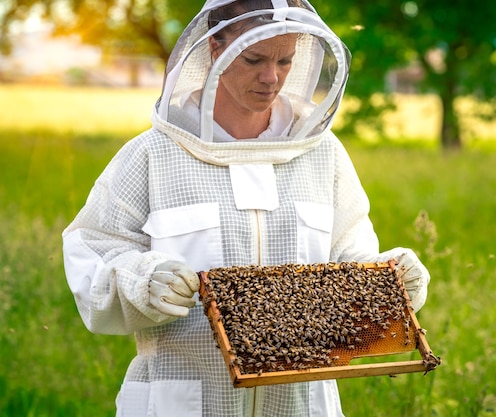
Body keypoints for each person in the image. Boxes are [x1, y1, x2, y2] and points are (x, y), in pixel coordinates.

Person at [62, 0, 431, 416]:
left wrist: (389, 281)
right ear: (215, 48)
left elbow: (349, 256)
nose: (271, 77)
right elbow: (92, 254)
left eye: (285, 60)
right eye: (254, 58)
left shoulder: (322, 154)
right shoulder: (152, 155)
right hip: (181, 400)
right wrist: (142, 280)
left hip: (300, 404)